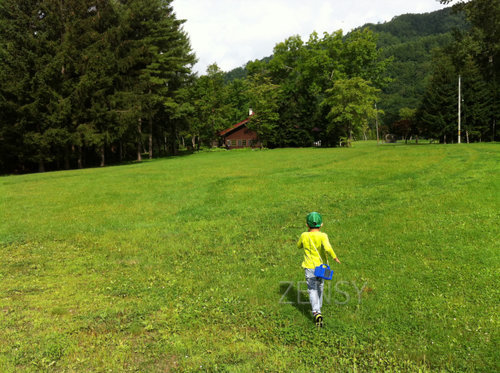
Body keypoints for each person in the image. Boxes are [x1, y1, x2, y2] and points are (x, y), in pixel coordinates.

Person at [297, 211, 340, 327]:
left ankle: (316, 312)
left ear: (307, 225)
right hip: (322, 267)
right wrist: (334, 257)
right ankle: (318, 308)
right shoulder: (323, 236)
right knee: (320, 286)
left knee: (312, 289)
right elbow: (327, 247)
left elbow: (298, 246)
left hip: (309, 267)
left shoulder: (304, 235)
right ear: (321, 224)